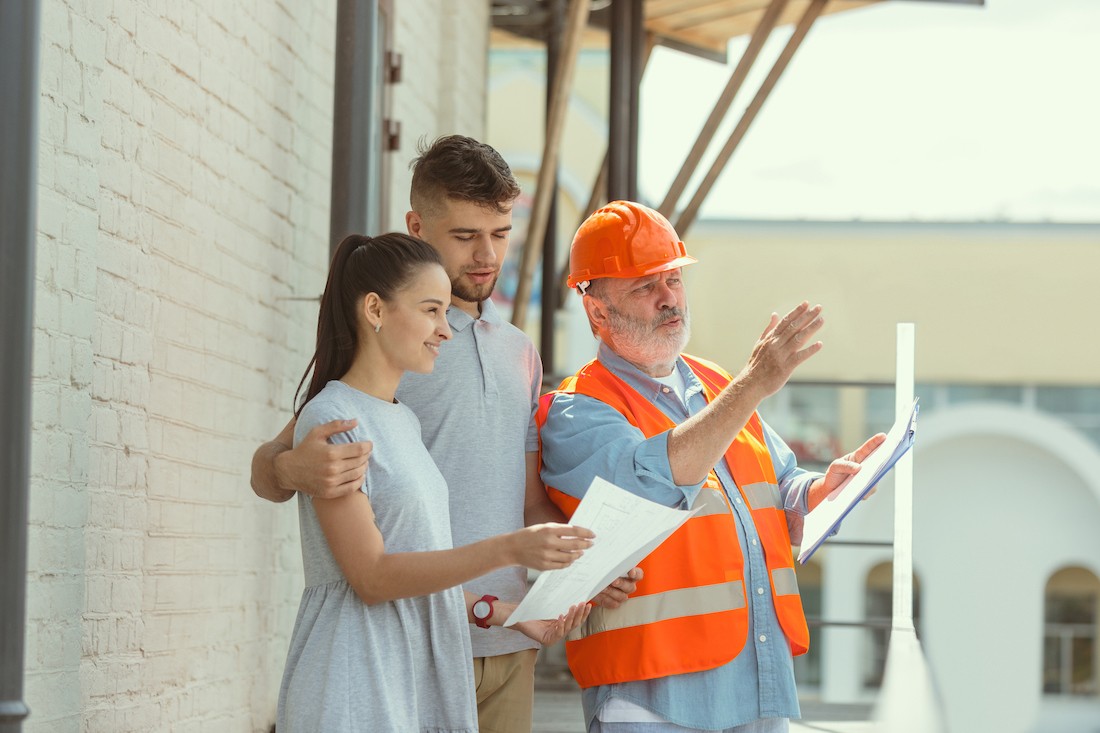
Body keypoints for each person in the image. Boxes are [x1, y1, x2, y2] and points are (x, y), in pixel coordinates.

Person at [252, 135, 639, 732]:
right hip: (410, 642)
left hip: (507, 637)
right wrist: (289, 470)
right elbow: (281, 460)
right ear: (418, 226)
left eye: (501, 233)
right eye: (464, 236)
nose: (486, 255)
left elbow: (526, 500)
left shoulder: (518, 353)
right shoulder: (396, 347)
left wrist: (591, 562)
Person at [537, 200, 887, 733]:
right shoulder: (577, 409)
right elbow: (651, 488)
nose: (669, 298)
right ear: (596, 313)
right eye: (644, 286)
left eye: (673, 279)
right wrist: (753, 385)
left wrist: (824, 490)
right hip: (651, 700)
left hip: (757, 682)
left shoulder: (719, 383)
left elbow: (780, 487)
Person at [277, 232, 593, 733]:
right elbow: (373, 578)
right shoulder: (333, 417)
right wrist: (509, 549)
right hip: (356, 687)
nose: (446, 331)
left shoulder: (402, 421)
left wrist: (502, 613)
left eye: (446, 312)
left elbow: (411, 566)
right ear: (375, 310)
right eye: (431, 311)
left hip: (410, 683)